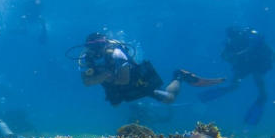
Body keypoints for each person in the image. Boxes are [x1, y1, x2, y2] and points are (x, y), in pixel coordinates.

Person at [77, 32, 225, 106]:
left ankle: (178, 76)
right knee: (115, 104)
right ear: (87, 47)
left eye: (99, 45)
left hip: (135, 80)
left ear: (106, 44)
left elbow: (124, 80)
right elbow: (86, 83)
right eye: (92, 46)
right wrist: (107, 76)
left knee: (169, 99)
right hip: (113, 85)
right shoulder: (85, 59)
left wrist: (102, 77)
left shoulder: (116, 54)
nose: (96, 50)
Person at [198, 26, 275, 125]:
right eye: (232, 36)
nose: (235, 38)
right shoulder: (230, 43)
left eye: (235, 35)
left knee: (257, 76)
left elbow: (273, 54)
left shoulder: (252, 38)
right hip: (245, 65)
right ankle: (227, 90)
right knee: (234, 85)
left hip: (259, 63)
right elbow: (225, 57)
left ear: (240, 33)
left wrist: (264, 61)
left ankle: (262, 97)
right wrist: (235, 59)